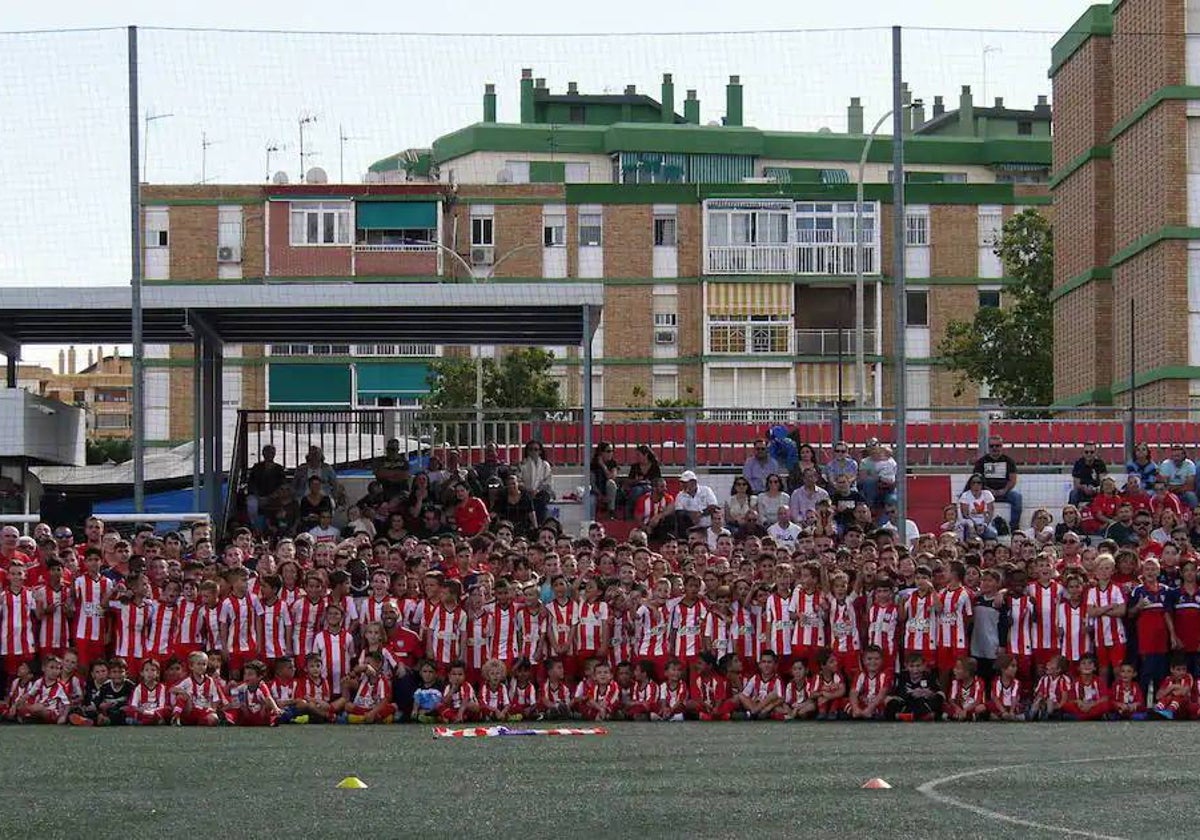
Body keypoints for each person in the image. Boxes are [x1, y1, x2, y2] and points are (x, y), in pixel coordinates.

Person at [973, 437, 1022, 531]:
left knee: (1017, 497)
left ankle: (1014, 527)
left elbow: (1013, 480)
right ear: (988, 447)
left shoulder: (1009, 461)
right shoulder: (981, 462)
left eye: (997, 445)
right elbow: (976, 481)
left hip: (1004, 492)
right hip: (985, 493)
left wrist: (1004, 490)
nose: (994, 448)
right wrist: (989, 490)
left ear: (1001, 446)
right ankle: (979, 525)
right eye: (992, 446)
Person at [246, 445, 290, 530]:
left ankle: (281, 527)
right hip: (258, 496)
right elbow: (251, 484)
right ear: (263, 453)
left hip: (275, 496)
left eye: (272, 453)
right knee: (251, 502)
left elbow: (282, 485)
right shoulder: (256, 467)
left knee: (284, 504)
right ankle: (254, 526)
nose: (270, 454)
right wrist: (258, 497)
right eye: (267, 452)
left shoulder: (279, 468)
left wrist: (271, 496)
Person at [518, 441, 554, 524]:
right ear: (527, 451)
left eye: (536, 449)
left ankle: (540, 524)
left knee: (541, 500)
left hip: (541, 493)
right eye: (531, 449)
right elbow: (518, 480)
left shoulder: (545, 465)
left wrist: (537, 491)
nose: (533, 452)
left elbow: (547, 481)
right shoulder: (522, 464)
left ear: (540, 451)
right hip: (526, 492)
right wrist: (528, 490)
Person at [673, 471, 719, 536]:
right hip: (690, 528)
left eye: (685, 483)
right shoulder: (680, 495)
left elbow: (713, 506)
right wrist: (691, 515)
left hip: (708, 526)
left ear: (693, 482)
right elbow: (679, 511)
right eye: (682, 483)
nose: (683, 485)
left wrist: (700, 513)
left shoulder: (706, 490)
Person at [958, 474, 996, 541]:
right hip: (971, 524)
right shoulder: (965, 495)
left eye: (978, 482)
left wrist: (984, 525)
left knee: (992, 534)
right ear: (970, 484)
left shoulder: (987, 494)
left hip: (985, 523)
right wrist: (976, 525)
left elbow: (990, 513)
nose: (976, 485)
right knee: (971, 532)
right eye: (973, 482)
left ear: (982, 484)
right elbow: (965, 514)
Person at [589, 442, 620, 518]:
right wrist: (600, 495)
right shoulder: (593, 465)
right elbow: (592, 482)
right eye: (608, 451)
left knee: (610, 483)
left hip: (611, 492)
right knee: (591, 499)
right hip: (598, 491)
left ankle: (611, 511)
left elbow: (612, 477)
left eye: (612, 451)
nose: (611, 453)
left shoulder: (613, 463)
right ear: (601, 453)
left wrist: (603, 466)